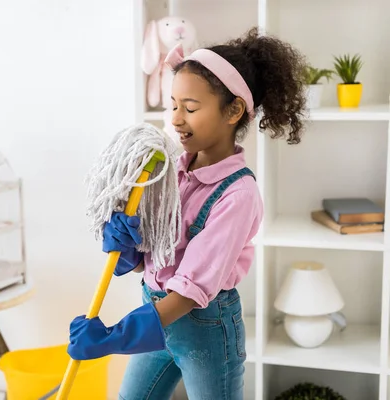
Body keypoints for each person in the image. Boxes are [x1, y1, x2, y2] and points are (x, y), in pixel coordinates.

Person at [67, 27, 307, 399]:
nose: (177, 119)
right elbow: (161, 253)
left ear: (233, 110)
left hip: (205, 329)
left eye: (191, 108)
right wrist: (131, 248)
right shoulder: (171, 171)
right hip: (157, 314)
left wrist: (116, 336)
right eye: (173, 105)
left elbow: (192, 290)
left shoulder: (238, 196)